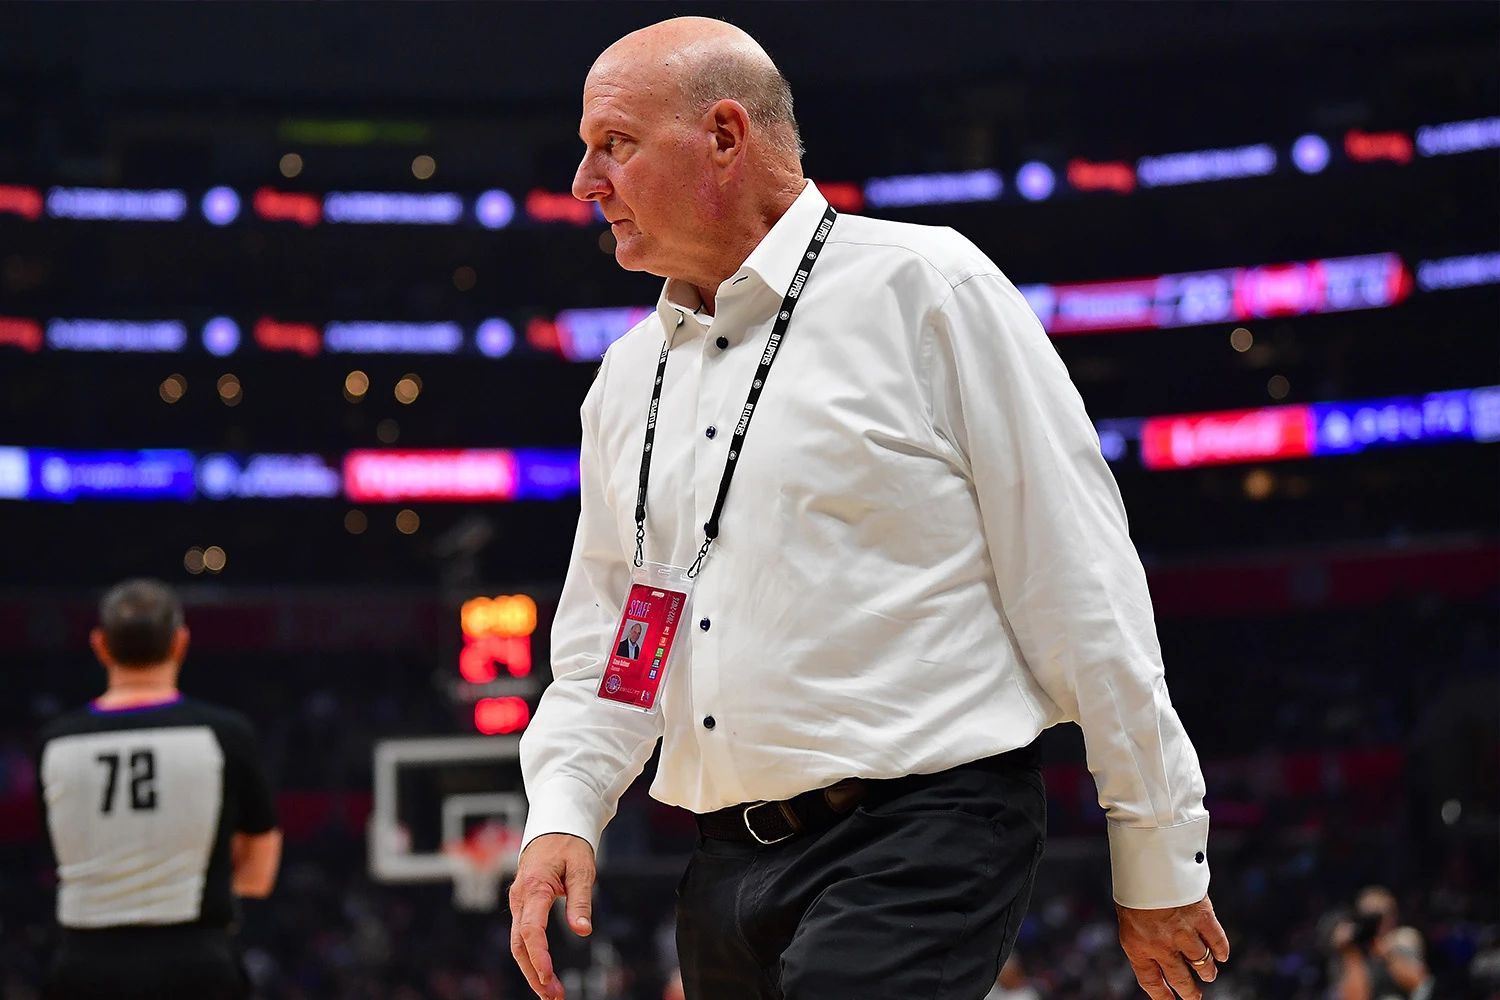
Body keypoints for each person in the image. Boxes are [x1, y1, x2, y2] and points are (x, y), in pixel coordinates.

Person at [512, 16, 1228, 1000]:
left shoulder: (925, 286)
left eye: (615, 144)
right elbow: (619, 638)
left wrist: (1157, 847)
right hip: (725, 863)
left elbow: (1080, 580)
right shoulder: (630, 376)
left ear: (724, 135)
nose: (585, 183)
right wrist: (565, 807)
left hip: (925, 826)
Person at [34, 579, 282, 1000]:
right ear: (180, 642)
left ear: (100, 645)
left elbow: (55, 855)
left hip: (84, 966)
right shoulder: (225, 735)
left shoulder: (55, 742)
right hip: (197, 964)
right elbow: (258, 874)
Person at [1331, 886, 1434, 1000]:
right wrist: (1351, 953)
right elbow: (1355, 996)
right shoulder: (1355, 948)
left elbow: (1421, 983)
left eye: (1378, 915)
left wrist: (1384, 953)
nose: (1373, 922)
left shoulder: (1403, 938)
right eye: (1367, 916)